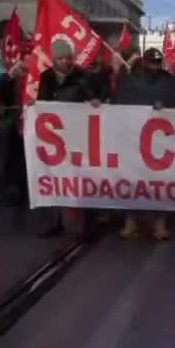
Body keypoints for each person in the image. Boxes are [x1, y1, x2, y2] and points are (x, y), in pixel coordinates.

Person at [113, 48, 175, 241]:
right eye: (152, 62)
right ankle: (130, 223)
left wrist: (166, 108)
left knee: (160, 183)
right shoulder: (129, 81)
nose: (155, 66)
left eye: (158, 63)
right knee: (131, 181)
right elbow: (118, 103)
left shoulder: (169, 82)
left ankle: (159, 224)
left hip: (160, 142)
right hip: (133, 139)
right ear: (144, 62)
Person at [37, 40, 104, 237]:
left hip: (78, 134)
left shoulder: (83, 76)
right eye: (61, 58)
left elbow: (95, 96)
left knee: (83, 177)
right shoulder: (46, 77)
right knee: (54, 177)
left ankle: (89, 223)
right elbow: (43, 101)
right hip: (54, 137)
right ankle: (55, 221)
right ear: (54, 58)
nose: (65, 61)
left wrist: (93, 100)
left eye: (68, 58)